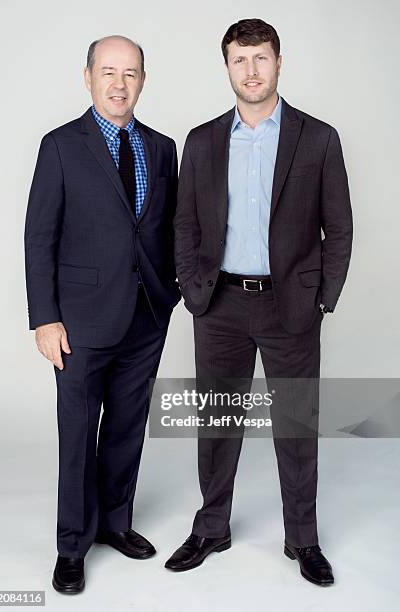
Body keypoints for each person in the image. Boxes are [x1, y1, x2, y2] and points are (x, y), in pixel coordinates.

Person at [166, 18, 353, 587]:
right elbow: (185, 224)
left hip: (289, 307)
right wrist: (191, 287)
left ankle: (303, 538)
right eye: (239, 60)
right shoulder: (201, 141)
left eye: (261, 58)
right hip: (218, 304)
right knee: (217, 424)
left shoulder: (316, 137)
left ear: (278, 62)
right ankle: (211, 527)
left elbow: (339, 227)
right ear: (227, 66)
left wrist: (322, 297)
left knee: (296, 425)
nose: (251, 71)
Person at [24, 35, 180, 594]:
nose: (120, 84)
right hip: (80, 321)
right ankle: (72, 545)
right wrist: (45, 318)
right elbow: (40, 236)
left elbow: (168, 229)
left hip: (145, 315)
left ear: (143, 80)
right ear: (87, 77)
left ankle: (115, 524)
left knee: (125, 429)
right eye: (108, 72)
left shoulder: (162, 149)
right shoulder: (62, 146)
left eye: (131, 73)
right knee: (77, 434)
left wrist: (173, 292)